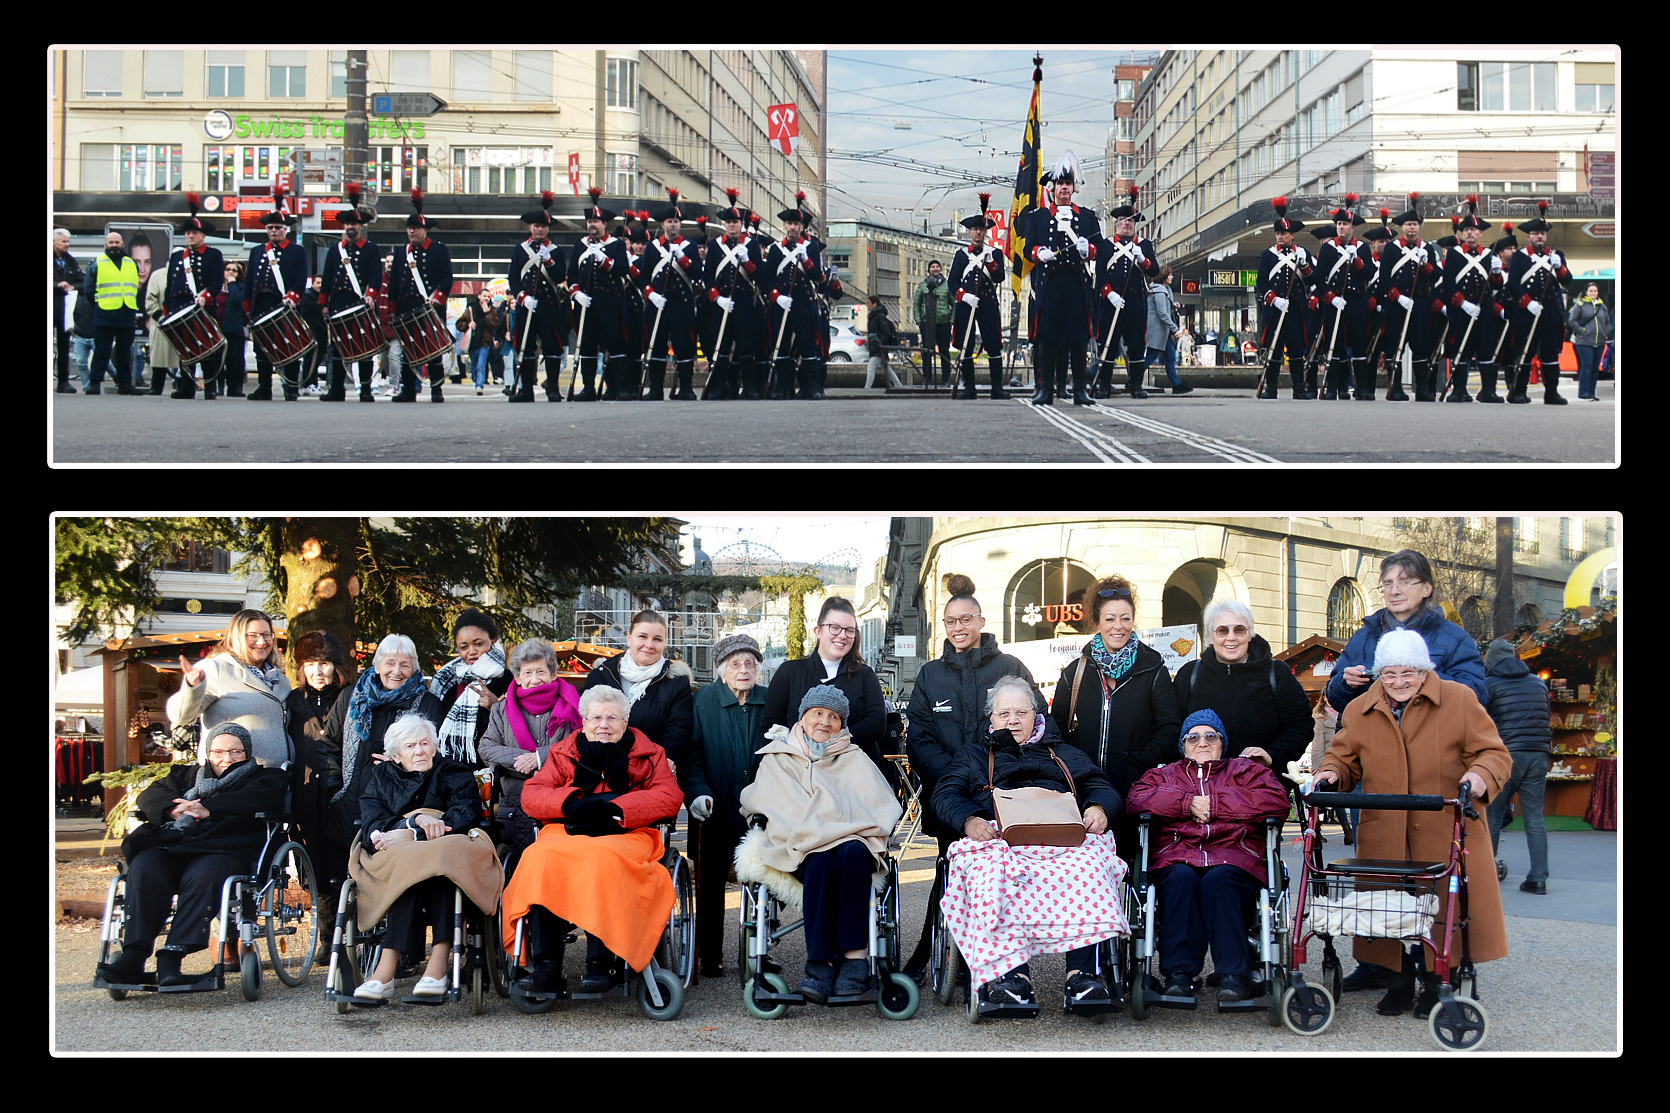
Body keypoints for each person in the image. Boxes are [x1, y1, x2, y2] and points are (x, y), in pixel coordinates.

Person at [1311, 629, 1511, 1018]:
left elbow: (1492, 752)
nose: (1399, 682)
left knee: (1443, 908)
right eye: (1389, 674)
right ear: (1378, 674)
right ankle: (1398, 981)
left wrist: (1480, 775)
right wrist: (1330, 774)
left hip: (1442, 826)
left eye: (1408, 673)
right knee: (1386, 906)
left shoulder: (1459, 700)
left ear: (1424, 672)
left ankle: (1439, 981)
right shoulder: (1359, 708)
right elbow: (1343, 757)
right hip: (1385, 828)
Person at [932, 675, 1126, 1010]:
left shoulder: (1062, 753)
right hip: (1000, 838)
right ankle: (1011, 978)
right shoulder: (973, 755)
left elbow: (1100, 785)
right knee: (992, 873)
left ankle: (1083, 977)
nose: (1012, 720)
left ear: (1036, 715)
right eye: (1004, 713)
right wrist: (969, 819)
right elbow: (945, 794)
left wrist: (1099, 807)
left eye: (1021, 712)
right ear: (991, 720)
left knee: (1093, 865)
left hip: (1061, 836)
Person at [902, 574, 1044, 978]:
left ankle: (990, 961)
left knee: (998, 880)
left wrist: (1005, 775)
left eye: (966, 619)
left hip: (1005, 796)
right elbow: (921, 736)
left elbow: (1034, 724)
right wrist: (955, 781)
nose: (959, 627)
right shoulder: (931, 675)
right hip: (951, 796)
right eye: (951, 621)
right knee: (948, 875)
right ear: (944, 626)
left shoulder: (1009, 667)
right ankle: (928, 953)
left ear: (981, 621)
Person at [501, 684, 682, 994]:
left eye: (612, 718)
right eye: (595, 717)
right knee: (538, 857)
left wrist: (616, 807)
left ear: (626, 722)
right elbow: (532, 795)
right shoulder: (563, 753)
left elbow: (669, 796)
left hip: (628, 831)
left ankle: (602, 964)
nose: (603, 725)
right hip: (569, 829)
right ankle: (547, 965)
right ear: (583, 721)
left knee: (602, 859)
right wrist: (570, 803)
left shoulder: (649, 753)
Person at [95, 723, 291, 987]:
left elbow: (261, 798)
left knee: (205, 874)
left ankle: (172, 956)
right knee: (145, 865)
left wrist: (207, 808)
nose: (226, 758)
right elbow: (150, 795)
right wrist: (174, 811)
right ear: (208, 752)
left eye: (236, 752)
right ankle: (134, 953)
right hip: (177, 843)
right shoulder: (185, 776)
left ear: (247, 752)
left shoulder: (264, 777)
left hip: (227, 846)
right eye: (218, 751)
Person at [738, 686, 902, 1001]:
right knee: (820, 859)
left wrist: (840, 828)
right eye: (818, 713)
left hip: (853, 842)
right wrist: (814, 830)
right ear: (803, 717)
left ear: (843, 725)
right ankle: (820, 965)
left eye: (834, 717)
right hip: (799, 847)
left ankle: (855, 960)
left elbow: (878, 805)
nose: (825, 722)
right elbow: (762, 801)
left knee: (853, 852)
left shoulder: (855, 757)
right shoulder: (778, 757)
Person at [1126, 710, 1293, 1002]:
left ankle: (1233, 975)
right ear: (1183, 745)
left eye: (1210, 736)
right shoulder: (1164, 774)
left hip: (1234, 855)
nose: (1202, 742)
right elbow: (1136, 800)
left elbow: (1276, 801)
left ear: (1222, 742)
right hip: (1177, 856)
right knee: (1180, 878)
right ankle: (1179, 974)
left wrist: (1216, 804)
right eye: (1193, 737)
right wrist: (1185, 802)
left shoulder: (1246, 771)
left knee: (1219, 880)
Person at [350, 714, 500, 1000]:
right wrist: (410, 823)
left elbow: (464, 814)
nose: (419, 751)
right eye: (410, 746)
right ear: (395, 755)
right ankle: (385, 968)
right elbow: (371, 822)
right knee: (411, 864)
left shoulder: (453, 771)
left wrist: (418, 834)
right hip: (397, 856)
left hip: (449, 845)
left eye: (424, 744)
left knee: (442, 863)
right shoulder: (381, 778)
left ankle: (438, 962)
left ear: (434, 747)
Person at [1051, 575, 1182, 848]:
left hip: (1136, 790)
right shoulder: (1075, 672)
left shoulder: (1153, 670)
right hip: (1083, 792)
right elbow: (1056, 730)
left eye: (1125, 618)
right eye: (1110, 619)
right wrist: (1074, 766)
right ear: (1096, 622)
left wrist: (1137, 762)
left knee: (1133, 865)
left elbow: (1171, 728)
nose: (1118, 627)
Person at [683, 633, 769, 979]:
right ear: (722, 670)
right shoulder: (702, 702)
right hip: (714, 807)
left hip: (760, 809)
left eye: (750, 663)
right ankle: (709, 955)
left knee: (763, 877)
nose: (743, 669)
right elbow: (691, 756)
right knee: (710, 883)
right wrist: (697, 793)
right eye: (736, 664)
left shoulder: (768, 700)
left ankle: (758, 947)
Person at [1325, 549, 1489, 717]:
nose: (1394, 591)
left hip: (1432, 739)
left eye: (1404, 582)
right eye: (1388, 583)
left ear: (1427, 588)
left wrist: (1422, 679)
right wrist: (1345, 684)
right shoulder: (1364, 636)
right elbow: (1334, 698)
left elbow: (1476, 696)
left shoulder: (1454, 638)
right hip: (1373, 739)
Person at [319, 634, 446, 849]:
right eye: (390, 663)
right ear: (377, 666)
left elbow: (436, 753)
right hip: (348, 804)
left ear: (414, 669)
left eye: (404, 665)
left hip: (399, 808)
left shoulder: (427, 704)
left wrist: (401, 762)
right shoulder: (350, 697)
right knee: (344, 873)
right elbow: (329, 745)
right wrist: (335, 788)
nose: (396, 671)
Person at [1173, 600, 1313, 776]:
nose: (1231, 637)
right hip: (1201, 787)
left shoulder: (1276, 673)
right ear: (1210, 636)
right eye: (1222, 630)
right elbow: (1173, 728)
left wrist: (1272, 755)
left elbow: (1301, 725)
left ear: (1250, 634)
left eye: (1239, 630)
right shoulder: (1190, 675)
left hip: (1260, 786)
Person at [763, 596, 892, 781]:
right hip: (797, 776)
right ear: (818, 631)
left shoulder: (864, 675)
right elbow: (770, 725)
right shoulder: (790, 672)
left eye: (849, 630)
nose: (842, 635)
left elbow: (877, 723)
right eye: (835, 628)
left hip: (851, 776)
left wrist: (832, 747)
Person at [479, 638, 584, 862]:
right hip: (514, 801)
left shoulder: (572, 706)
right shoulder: (501, 709)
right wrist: (524, 760)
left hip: (559, 796)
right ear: (517, 678)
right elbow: (486, 747)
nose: (534, 679)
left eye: (540, 671)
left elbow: (577, 744)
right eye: (527, 673)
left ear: (553, 674)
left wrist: (539, 757)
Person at [1023, 150, 1103, 406]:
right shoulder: (1038, 216)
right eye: (1060, 184)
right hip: (1050, 285)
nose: (1064, 189)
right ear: (1053, 188)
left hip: (1076, 285)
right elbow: (1027, 248)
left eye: (1068, 184)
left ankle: (1079, 390)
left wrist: (1087, 250)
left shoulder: (1088, 217)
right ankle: (1045, 389)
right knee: (1047, 338)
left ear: (1073, 187)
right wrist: (1039, 253)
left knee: (1078, 339)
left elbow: (1100, 248)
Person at [166, 609, 292, 770]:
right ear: (236, 637)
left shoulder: (280, 679)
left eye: (266, 635)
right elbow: (181, 716)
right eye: (252, 635)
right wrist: (193, 688)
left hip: (279, 779)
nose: (261, 642)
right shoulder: (216, 669)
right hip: (235, 780)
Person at [583, 610, 695, 775]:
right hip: (599, 769)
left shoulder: (676, 682)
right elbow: (584, 722)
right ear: (629, 638)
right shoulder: (602, 674)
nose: (649, 645)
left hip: (649, 771)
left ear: (664, 643)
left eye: (657, 639)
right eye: (642, 636)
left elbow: (679, 728)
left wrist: (668, 760)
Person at [1481, 638, 1552, 895]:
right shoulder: (1538, 683)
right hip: (1538, 755)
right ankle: (1538, 878)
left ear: (1491, 661)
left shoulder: (1489, 685)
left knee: (1493, 815)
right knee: (1535, 816)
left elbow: (1483, 723)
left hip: (1505, 755)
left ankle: (1486, 873)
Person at [1375, 192, 1447, 401]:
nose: (1412, 228)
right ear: (1403, 227)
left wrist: (1426, 265)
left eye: (1415, 224)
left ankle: (1422, 388)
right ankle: (1395, 387)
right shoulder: (1391, 248)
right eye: (1408, 224)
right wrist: (1397, 298)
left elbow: (1436, 278)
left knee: (1421, 347)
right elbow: (1384, 279)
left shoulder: (1428, 250)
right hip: (1397, 304)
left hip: (1420, 305)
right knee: (1395, 345)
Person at [384, 189, 453, 403]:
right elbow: (394, 283)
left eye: (415, 228)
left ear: (425, 230)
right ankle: (408, 390)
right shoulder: (400, 253)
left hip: (430, 308)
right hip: (407, 307)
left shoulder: (439, 250)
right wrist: (392, 308)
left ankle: (436, 389)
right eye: (409, 228)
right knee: (407, 350)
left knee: (433, 351)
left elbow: (447, 278)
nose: (411, 232)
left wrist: (438, 296)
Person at [567, 188, 635, 401]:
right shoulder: (580, 244)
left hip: (610, 301)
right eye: (589, 222)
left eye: (596, 222)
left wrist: (604, 261)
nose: (592, 225)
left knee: (615, 343)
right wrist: (576, 293)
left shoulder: (615, 244)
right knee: (587, 344)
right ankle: (588, 387)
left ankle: (619, 387)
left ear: (604, 224)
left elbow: (623, 268)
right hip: (586, 303)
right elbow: (571, 275)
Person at [242, 188, 310, 401]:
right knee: (262, 348)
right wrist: (247, 307)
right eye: (270, 228)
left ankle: (290, 387)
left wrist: (292, 297)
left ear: (285, 230)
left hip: (284, 305)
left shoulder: (297, 251)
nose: (273, 231)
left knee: (289, 344)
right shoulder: (257, 251)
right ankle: (264, 388)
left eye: (278, 228)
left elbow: (300, 280)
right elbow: (250, 281)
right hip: (261, 303)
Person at [1504, 200, 1572, 405]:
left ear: (1546, 235)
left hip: (1551, 310)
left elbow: (1568, 280)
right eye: (1535, 233)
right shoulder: (1520, 257)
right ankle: (1519, 392)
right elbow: (1513, 284)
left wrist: (1560, 268)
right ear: (1529, 237)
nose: (1539, 236)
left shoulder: (1556, 255)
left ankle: (1551, 392)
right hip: (1528, 311)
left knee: (1551, 351)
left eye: (1542, 233)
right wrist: (1527, 303)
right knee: (1525, 349)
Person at [1095, 184, 1158, 399]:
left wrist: (1142, 259)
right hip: (1111, 302)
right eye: (1123, 221)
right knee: (1109, 344)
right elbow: (1100, 274)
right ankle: (1104, 384)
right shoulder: (1105, 245)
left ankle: (1136, 384)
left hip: (1135, 302)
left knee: (1136, 344)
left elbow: (1155, 271)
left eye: (1130, 221)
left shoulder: (1145, 245)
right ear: (1117, 224)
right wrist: (1109, 293)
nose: (1127, 225)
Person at [1435, 196, 1501, 403]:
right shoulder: (1454, 255)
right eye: (1466, 230)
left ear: (1480, 233)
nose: (1470, 233)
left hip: (1484, 310)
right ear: (1463, 234)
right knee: (1459, 350)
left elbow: (1496, 286)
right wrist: (1463, 304)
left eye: (1474, 230)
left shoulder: (1489, 254)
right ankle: (1459, 390)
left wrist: (1498, 272)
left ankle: (1488, 390)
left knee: (1485, 350)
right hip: (1461, 310)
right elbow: (1448, 285)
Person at [702, 188, 767, 400]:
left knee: (745, 345)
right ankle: (721, 387)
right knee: (721, 345)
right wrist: (717, 298)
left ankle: (748, 387)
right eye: (728, 222)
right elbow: (708, 277)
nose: (732, 225)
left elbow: (759, 277)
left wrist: (747, 261)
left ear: (741, 224)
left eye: (735, 222)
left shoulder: (752, 245)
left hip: (744, 302)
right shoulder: (714, 246)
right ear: (724, 224)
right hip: (722, 303)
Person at [765, 191, 829, 400]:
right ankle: (783, 387)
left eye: (796, 224)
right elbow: (768, 279)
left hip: (803, 302)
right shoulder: (775, 250)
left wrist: (806, 260)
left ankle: (809, 387)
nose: (792, 227)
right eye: (789, 224)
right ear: (785, 227)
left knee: (808, 343)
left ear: (801, 227)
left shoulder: (810, 247)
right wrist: (777, 297)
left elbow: (817, 276)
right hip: (783, 303)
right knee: (782, 345)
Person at [428, 608, 511, 767]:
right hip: (449, 766)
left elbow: (522, 725)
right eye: (464, 647)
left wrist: (496, 707)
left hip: (490, 768)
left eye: (478, 644)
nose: (472, 652)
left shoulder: (507, 679)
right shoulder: (447, 680)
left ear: (493, 640)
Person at [642, 188, 704, 401]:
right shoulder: (652, 248)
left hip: (681, 303)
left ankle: (686, 388)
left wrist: (682, 259)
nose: (673, 225)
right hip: (659, 303)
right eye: (669, 221)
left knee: (683, 345)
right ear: (662, 225)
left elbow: (697, 274)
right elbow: (644, 278)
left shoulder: (690, 247)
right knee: (657, 345)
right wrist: (651, 295)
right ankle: (656, 389)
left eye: (676, 221)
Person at [508, 191, 569, 402]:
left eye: (543, 226)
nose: (540, 229)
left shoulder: (557, 250)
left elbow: (561, 276)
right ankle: (526, 390)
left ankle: (553, 388)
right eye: (536, 226)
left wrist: (550, 261)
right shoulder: (520, 250)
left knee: (551, 346)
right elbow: (513, 278)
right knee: (526, 347)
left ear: (548, 228)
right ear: (530, 228)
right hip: (528, 305)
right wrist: (522, 297)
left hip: (549, 305)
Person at [1312, 194, 1375, 400]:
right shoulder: (1328, 248)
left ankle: (1362, 387)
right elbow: (1319, 278)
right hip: (1335, 300)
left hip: (1356, 300)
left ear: (1352, 227)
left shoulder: (1362, 248)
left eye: (1345, 224)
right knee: (1334, 344)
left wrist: (1358, 262)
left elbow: (1369, 275)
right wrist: (1330, 297)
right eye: (1339, 224)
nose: (1341, 227)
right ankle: (1334, 387)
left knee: (1359, 344)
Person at [1254, 197, 1316, 400]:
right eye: (1278, 234)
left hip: (1296, 309)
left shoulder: (1302, 253)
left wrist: (1305, 265)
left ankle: (1299, 388)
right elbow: (1261, 282)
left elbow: (1311, 280)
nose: (1280, 237)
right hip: (1276, 309)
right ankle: (1271, 388)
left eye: (1284, 234)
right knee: (1274, 349)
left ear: (1292, 235)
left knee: (1296, 349)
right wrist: (1273, 299)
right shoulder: (1268, 255)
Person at [949, 193, 1008, 399]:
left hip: (988, 303)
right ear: (970, 232)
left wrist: (991, 261)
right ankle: (969, 388)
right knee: (966, 345)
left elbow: (999, 277)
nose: (978, 234)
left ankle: (997, 388)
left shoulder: (995, 253)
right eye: (975, 230)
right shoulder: (961, 255)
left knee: (992, 343)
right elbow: (953, 282)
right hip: (967, 304)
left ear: (986, 232)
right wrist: (964, 297)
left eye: (981, 230)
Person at [83, 230, 141, 395]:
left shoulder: (132, 264)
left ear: (123, 244)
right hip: (104, 313)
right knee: (102, 350)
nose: (114, 245)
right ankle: (94, 383)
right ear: (106, 245)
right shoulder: (97, 264)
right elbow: (88, 290)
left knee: (124, 352)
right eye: (111, 242)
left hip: (126, 313)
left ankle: (125, 384)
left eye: (117, 242)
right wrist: (99, 306)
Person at [1145, 264, 1193, 395]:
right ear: (1163, 276)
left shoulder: (1165, 290)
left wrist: (1172, 304)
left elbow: (1164, 308)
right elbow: (1162, 313)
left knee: (1170, 356)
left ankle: (1176, 384)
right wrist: (1174, 329)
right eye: (1169, 275)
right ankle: (1133, 379)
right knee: (1151, 357)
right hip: (1159, 331)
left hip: (1163, 332)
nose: (1172, 277)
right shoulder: (1159, 291)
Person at [1567, 282, 1611, 402]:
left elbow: (1608, 321)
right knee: (1586, 366)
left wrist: (1605, 332)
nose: (1593, 293)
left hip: (1600, 341)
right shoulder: (1580, 305)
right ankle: (1583, 393)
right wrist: (1582, 331)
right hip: (1584, 341)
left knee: (1595, 368)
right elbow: (1573, 320)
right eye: (1591, 291)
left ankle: (1591, 392)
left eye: (1595, 291)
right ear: (1586, 292)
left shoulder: (1602, 306)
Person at [913, 259, 954, 387]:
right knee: (927, 351)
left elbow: (954, 304)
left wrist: (951, 321)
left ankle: (946, 378)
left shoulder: (947, 286)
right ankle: (927, 378)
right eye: (932, 267)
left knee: (944, 351)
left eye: (937, 266)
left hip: (943, 323)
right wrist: (919, 321)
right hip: (927, 323)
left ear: (940, 269)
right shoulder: (922, 286)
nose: (935, 269)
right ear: (929, 270)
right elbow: (916, 304)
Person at [142, 261, 180, 398]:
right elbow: (150, 300)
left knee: (185, 358)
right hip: (162, 322)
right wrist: (160, 316)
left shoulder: (191, 275)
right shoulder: (157, 275)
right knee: (159, 355)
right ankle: (156, 386)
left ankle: (183, 385)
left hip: (184, 322)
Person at [53, 228, 84, 394]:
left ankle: (63, 382)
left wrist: (73, 287)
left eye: (68, 242)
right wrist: (56, 285)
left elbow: (82, 282)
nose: (67, 245)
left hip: (65, 311)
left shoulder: (71, 262)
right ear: (53, 242)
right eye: (63, 241)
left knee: (64, 347)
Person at [216, 261, 249, 397]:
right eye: (228, 269)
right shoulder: (217, 287)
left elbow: (237, 300)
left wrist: (231, 283)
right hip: (218, 328)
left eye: (234, 270)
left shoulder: (241, 287)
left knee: (234, 360)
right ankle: (218, 386)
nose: (230, 272)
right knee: (217, 359)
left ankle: (234, 387)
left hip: (235, 329)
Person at [862, 295, 903, 390]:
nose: (867, 305)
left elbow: (886, 333)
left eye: (868, 303)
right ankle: (898, 385)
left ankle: (867, 388)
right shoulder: (874, 316)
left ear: (874, 304)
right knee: (886, 367)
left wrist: (880, 343)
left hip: (878, 346)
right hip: (876, 346)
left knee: (871, 366)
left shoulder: (879, 317)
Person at [466, 290, 499, 396]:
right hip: (473, 341)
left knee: (481, 364)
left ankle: (479, 385)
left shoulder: (492, 310)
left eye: (488, 297)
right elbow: (460, 323)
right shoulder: (471, 308)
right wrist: (468, 324)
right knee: (474, 364)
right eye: (484, 296)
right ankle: (476, 381)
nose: (486, 298)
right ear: (479, 296)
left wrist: (487, 313)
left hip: (485, 341)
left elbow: (494, 325)